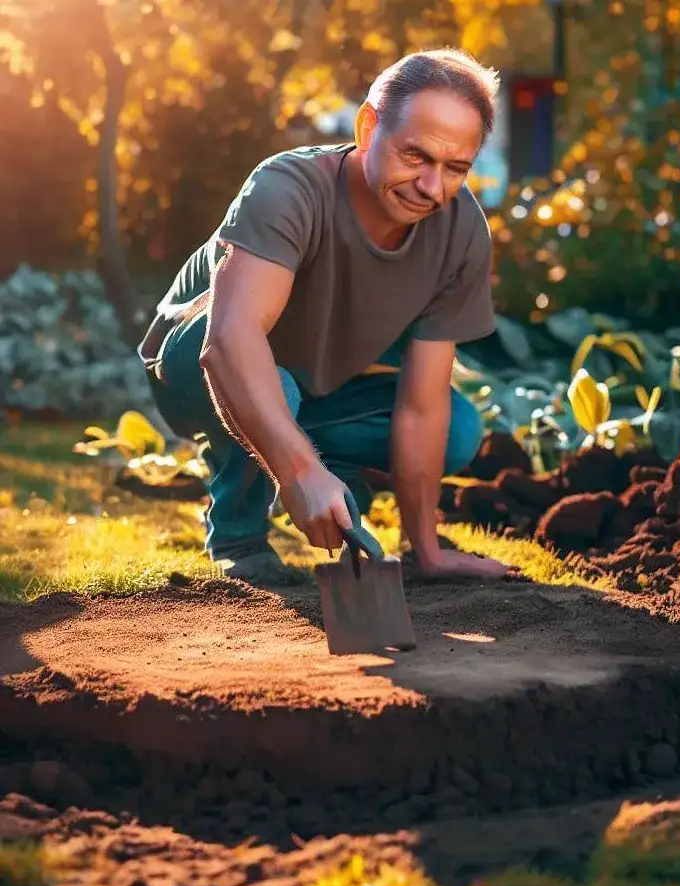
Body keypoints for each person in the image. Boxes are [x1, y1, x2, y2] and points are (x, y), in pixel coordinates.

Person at [137, 47, 513, 584]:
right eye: (415, 156)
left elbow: (422, 404)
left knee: (458, 428)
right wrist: (299, 473)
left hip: (315, 384)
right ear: (368, 127)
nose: (433, 187)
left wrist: (426, 552)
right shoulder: (288, 187)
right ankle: (239, 533)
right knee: (274, 385)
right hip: (192, 364)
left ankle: (326, 476)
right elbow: (228, 342)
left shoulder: (460, 231)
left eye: (455, 168)